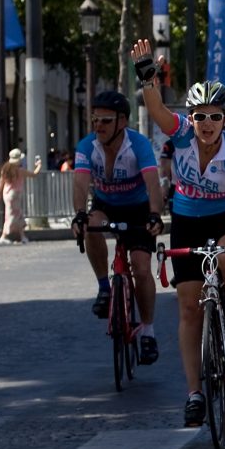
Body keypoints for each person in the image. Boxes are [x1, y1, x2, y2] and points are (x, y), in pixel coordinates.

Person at [131, 39, 225, 428]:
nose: (207, 124)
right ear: (190, 118)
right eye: (200, 116)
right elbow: (155, 109)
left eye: (215, 117)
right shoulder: (182, 136)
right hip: (188, 219)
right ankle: (193, 393)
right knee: (188, 306)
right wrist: (147, 78)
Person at [71, 91, 165, 364]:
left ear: (122, 121)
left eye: (105, 120)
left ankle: (147, 331)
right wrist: (78, 215)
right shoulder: (87, 146)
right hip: (105, 205)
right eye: (94, 120)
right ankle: (104, 287)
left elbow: (152, 183)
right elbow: (80, 183)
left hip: (138, 209)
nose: (98, 126)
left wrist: (155, 214)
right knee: (90, 224)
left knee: (141, 268)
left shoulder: (138, 145)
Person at [0, 148, 41, 244]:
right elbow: (34, 174)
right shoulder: (20, 170)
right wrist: (39, 166)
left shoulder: (5, 169)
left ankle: (22, 236)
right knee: (13, 216)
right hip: (15, 195)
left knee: (17, 215)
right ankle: (4, 236)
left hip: (7, 194)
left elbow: (1, 183)